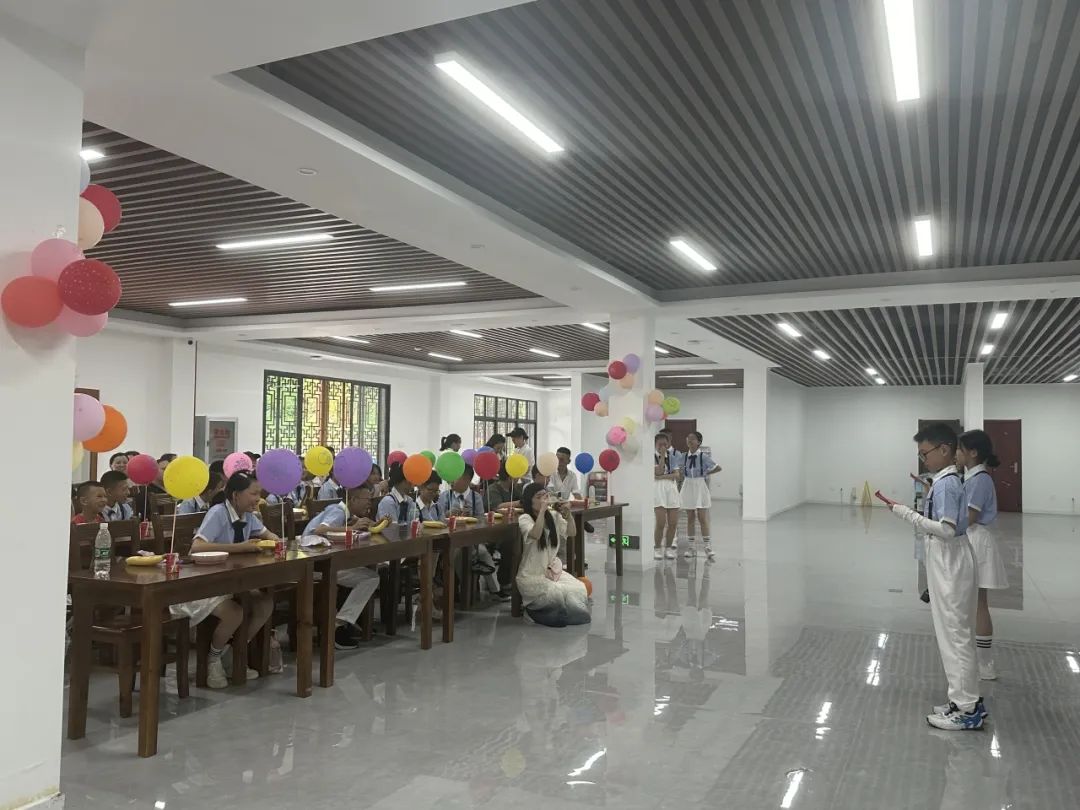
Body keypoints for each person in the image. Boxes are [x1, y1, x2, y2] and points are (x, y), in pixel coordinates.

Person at [887, 423, 985, 730]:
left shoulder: (946, 484)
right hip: (950, 559)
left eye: (924, 453)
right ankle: (965, 699)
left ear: (944, 449)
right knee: (956, 634)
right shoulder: (946, 481)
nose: (923, 459)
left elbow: (945, 529)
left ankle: (967, 709)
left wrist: (907, 514)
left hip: (950, 561)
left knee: (954, 636)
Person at [177, 472, 278, 689]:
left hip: (234, 582)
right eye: (253, 494)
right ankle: (213, 659)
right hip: (205, 583)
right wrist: (239, 548)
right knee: (234, 612)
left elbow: (270, 536)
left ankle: (232, 652)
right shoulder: (218, 512)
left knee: (265, 604)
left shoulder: (248, 516)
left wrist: (275, 541)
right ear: (235, 495)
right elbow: (197, 547)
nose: (258, 499)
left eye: (259, 494)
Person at [957, 429, 1009, 681]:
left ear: (973, 453)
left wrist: (943, 528)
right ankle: (977, 660)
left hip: (976, 540)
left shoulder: (979, 480)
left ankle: (985, 664)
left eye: (960, 450)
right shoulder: (972, 477)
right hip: (972, 538)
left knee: (978, 603)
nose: (957, 454)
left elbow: (969, 517)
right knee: (971, 603)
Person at [303, 485, 381, 650]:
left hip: (325, 561)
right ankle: (337, 626)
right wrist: (351, 528)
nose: (370, 504)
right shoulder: (338, 511)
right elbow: (320, 529)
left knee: (366, 573)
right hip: (315, 565)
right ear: (353, 499)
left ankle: (348, 622)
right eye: (367, 500)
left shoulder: (346, 514)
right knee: (370, 578)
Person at [516, 482, 589, 627]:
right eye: (539, 497)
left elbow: (572, 532)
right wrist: (542, 511)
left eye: (546, 496)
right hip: (531, 576)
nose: (544, 499)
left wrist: (568, 515)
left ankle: (561, 612)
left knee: (579, 588)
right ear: (530, 501)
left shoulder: (553, 516)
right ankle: (531, 611)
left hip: (551, 573)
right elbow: (535, 534)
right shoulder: (525, 518)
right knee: (556, 594)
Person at [680, 431, 721, 561]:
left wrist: (706, 472)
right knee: (690, 517)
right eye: (688, 438)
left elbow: (718, 467)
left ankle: (707, 547)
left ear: (699, 442)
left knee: (702, 517)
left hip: (699, 485)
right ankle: (691, 547)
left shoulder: (703, 456)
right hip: (688, 485)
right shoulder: (684, 456)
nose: (689, 440)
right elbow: (678, 469)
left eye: (693, 439)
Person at [653, 433, 681, 560]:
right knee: (660, 523)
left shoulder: (673, 457)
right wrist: (662, 457)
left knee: (673, 523)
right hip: (658, 490)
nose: (663, 447)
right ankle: (657, 548)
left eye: (665, 444)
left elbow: (677, 475)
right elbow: (658, 471)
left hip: (672, 490)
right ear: (655, 444)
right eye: (660, 444)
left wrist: (661, 477)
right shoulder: (652, 457)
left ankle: (668, 548)